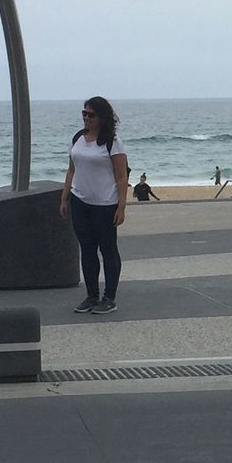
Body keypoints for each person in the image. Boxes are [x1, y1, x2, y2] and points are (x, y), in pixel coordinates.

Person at [59, 95, 130, 313]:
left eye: (91, 114)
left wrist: (121, 207)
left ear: (101, 117)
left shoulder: (112, 143)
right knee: (87, 250)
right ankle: (91, 296)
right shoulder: (78, 138)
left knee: (108, 250)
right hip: (81, 201)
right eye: (84, 113)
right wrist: (64, 197)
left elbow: (121, 177)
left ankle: (109, 297)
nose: (86, 118)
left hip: (105, 204)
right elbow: (72, 170)